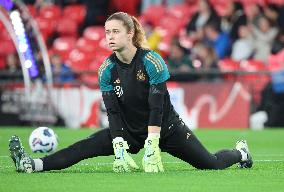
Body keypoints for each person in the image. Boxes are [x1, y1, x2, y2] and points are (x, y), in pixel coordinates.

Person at [9, 12, 252, 174]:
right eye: (107, 32)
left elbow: (157, 106)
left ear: (129, 34)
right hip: (128, 130)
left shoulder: (152, 61)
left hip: (165, 128)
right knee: (83, 147)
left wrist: (153, 143)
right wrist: (118, 142)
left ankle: (241, 152)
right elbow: (112, 111)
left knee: (210, 164)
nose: (110, 37)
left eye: (115, 31)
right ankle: (33, 164)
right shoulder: (106, 69)